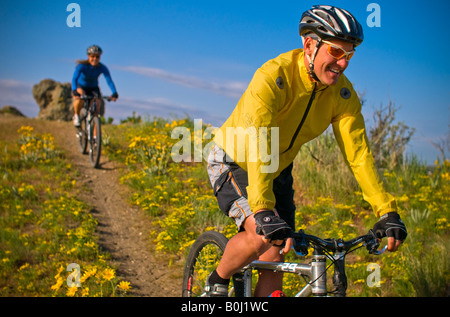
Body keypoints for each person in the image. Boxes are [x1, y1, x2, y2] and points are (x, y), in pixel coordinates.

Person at [205, 5, 407, 297]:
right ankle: (217, 281)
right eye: (336, 52)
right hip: (236, 159)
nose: (344, 63)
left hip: (277, 169)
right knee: (261, 238)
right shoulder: (273, 77)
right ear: (310, 45)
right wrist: (262, 207)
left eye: (349, 55)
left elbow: (358, 155)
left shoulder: (342, 95)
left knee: (277, 251)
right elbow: (260, 139)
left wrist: (386, 209)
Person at [72, 45, 118, 127]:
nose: (95, 59)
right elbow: (74, 79)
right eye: (92, 56)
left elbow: (109, 81)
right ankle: (76, 116)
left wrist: (114, 92)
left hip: (93, 88)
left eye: (97, 57)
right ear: (88, 56)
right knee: (81, 97)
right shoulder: (82, 66)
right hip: (81, 86)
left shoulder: (102, 68)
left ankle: (95, 137)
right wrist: (75, 91)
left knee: (97, 107)